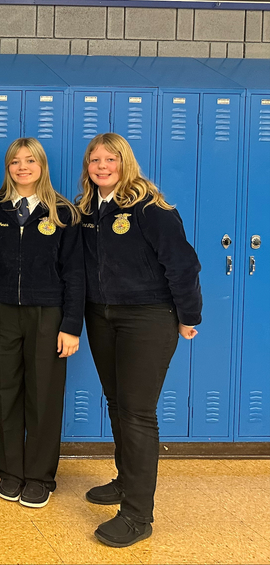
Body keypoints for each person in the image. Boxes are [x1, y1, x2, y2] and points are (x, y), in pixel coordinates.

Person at [77, 133, 201, 548]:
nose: (102, 166)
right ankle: (125, 480)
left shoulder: (150, 207)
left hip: (147, 317)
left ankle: (137, 515)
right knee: (117, 403)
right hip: (102, 316)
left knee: (137, 412)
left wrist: (188, 316)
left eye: (110, 159)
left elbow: (182, 264)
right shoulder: (88, 209)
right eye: (95, 160)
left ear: (125, 162)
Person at [0, 138, 84, 509]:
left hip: (47, 314)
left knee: (44, 396)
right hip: (0, 311)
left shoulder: (63, 213)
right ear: (8, 168)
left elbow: (75, 273)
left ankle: (39, 477)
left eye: (30, 160)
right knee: (6, 393)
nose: (23, 167)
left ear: (41, 166)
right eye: (15, 161)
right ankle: (11, 471)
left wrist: (71, 325)